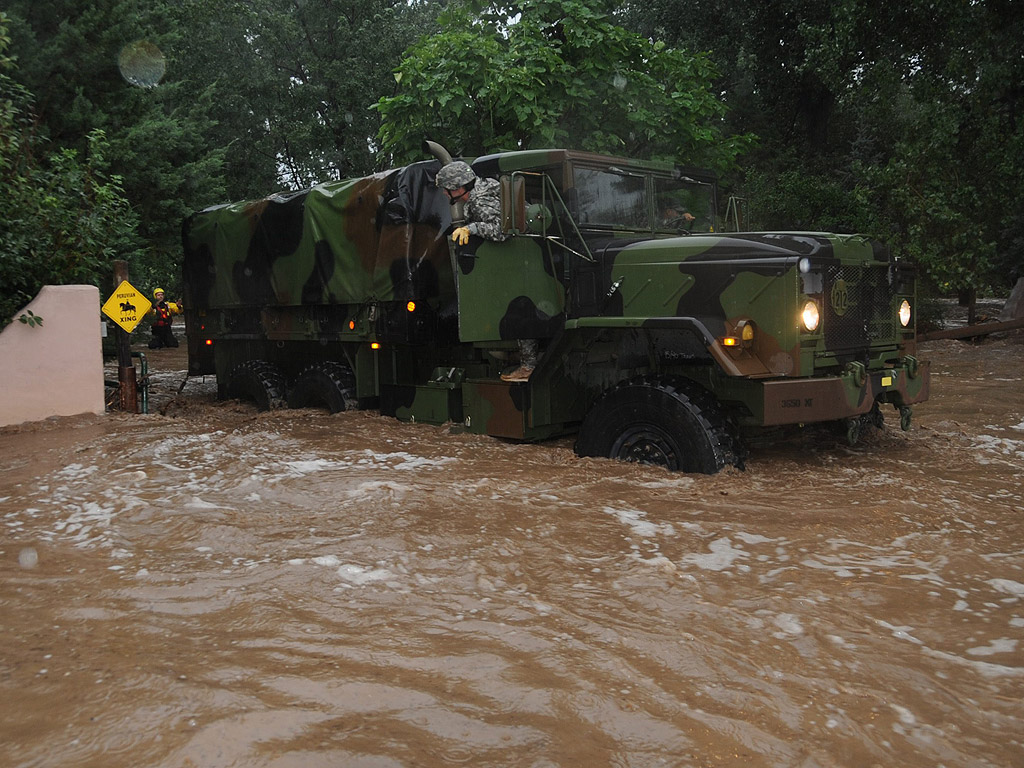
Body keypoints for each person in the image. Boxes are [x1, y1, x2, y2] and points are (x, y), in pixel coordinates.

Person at [435, 161, 538, 382]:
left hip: (521, 261)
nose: (444, 194)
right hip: (526, 259)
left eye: (446, 189)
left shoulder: (480, 200)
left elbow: (503, 231)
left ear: (458, 187)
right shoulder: (486, 187)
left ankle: (529, 366)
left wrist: (471, 228)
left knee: (519, 310)